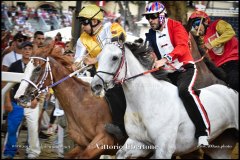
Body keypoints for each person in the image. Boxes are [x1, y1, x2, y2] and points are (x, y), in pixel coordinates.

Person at [143, 1, 210, 146]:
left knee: (184, 92)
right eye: (148, 17)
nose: (150, 20)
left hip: (185, 69)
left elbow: (182, 47)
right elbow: (149, 52)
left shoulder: (176, 26)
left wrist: (164, 59)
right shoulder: (150, 34)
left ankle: (202, 132)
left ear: (161, 16)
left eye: (153, 17)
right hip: (167, 73)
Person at [73, 4, 127, 141]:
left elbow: (115, 49)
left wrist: (95, 59)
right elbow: (78, 59)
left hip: (122, 71)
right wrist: (76, 65)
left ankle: (121, 127)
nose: (82, 26)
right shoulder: (82, 39)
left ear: (95, 21)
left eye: (85, 22)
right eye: (81, 22)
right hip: (103, 77)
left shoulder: (113, 28)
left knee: (115, 93)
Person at [3, 41, 41, 159]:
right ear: (21, 51)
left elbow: (41, 84)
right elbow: (7, 84)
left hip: (32, 102)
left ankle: (32, 152)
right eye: (25, 49)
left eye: (30, 48)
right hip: (16, 102)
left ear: (33, 51)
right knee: (12, 128)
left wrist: (37, 99)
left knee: (33, 129)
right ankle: (9, 152)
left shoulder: (38, 66)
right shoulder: (14, 65)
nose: (27, 51)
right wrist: (7, 101)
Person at [187, 10, 239, 92]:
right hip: (219, 67)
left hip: (233, 61)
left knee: (234, 81)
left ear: (206, 21)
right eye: (194, 26)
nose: (196, 27)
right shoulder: (200, 40)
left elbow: (230, 32)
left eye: (197, 24)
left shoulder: (217, 24)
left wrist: (212, 44)